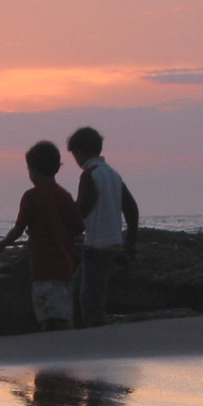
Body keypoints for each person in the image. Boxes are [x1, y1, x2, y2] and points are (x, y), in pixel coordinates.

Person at [0, 140, 84, 331]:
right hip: (64, 267)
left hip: (43, 269)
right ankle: (61, 350)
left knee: (49, 316)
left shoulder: (31, 197)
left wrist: (2, 244)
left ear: (33, 169)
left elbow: (18, 229)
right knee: (61, 311)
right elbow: (78, 228)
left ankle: (64, 349)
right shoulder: (64, 195)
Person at [67, 126, 139, 328]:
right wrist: (131, 239)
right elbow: (131, 208)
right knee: (78, 290)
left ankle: (95, 337)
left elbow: (83, 208)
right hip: (111, 242)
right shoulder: (113, 174)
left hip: (96, 246)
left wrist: (66, 230)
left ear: (79, 152)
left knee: (90, 298)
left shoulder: (90, 174)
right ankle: (85, 332)